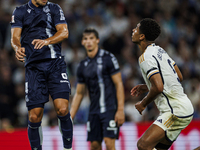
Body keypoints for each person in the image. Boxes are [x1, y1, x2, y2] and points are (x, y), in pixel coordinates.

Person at [10, 0, 73, 150]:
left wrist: (46, 42)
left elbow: (64, 32)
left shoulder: (54, 8)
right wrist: (17, 48)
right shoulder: (20, 11)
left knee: (62, 109)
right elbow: (14, 37)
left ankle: (68, 148)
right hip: (33, 68)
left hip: (55, 64)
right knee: (34, 117)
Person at [130, 18, 194, 150]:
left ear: (142, 36)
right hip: (182, 106)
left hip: (175, 110)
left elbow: (159, 87)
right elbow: (178, 76)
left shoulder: (145, 57)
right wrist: (147, 86)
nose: (133, 30)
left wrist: (143, 103)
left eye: (136, 28)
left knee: (143, 145)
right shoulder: (159, 50)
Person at [70, 28, 125, 150]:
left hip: (109, 109)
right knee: (94, 145)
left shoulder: (108, 58)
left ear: (97, 40)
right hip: (93, 111)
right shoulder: (82, 65)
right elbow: (79, 93)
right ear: (82, 42)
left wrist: (120, 110)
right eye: (86, 39)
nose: (88, 41)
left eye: (91, 38)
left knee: (109, 143)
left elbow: (119, 84)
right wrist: (70, 117)